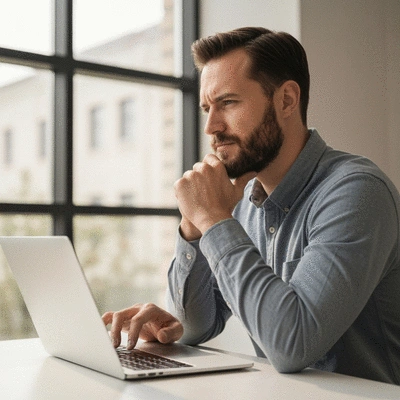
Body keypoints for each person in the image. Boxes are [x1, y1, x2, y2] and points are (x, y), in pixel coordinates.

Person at [102, 27, 400, 384]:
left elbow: (293, 344)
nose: (211, 126)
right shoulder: (241, 202)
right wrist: (193, 227)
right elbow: (198, 325)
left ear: (287, 100)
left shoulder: (356, 192)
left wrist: (212, 219)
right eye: (206, 108)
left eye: (228, 103)